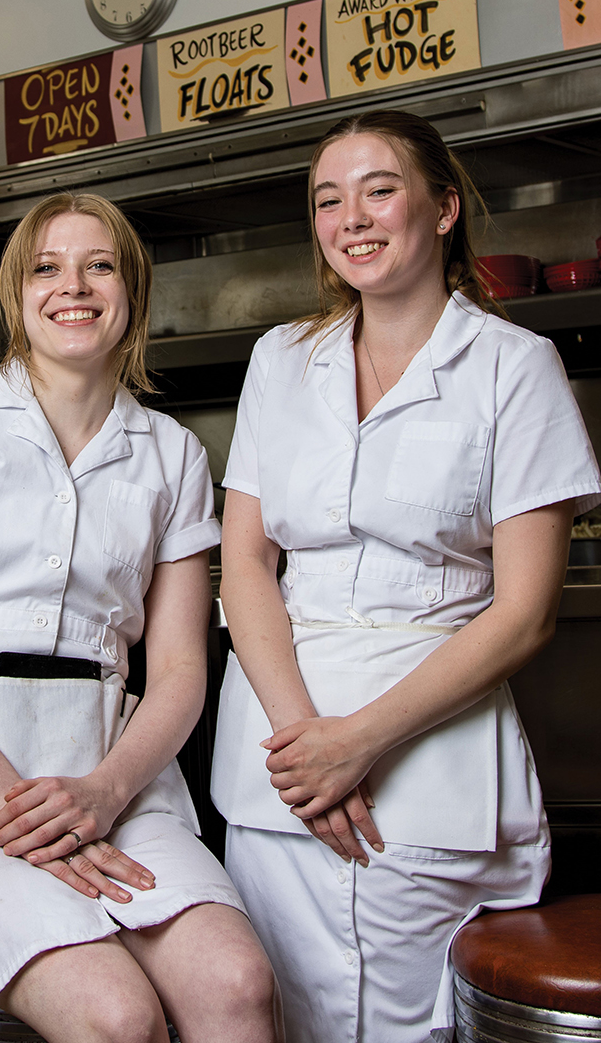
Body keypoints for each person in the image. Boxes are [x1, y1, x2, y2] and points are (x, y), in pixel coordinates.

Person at [212, 109, 601, 1043]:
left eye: (380, 189)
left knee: (412, 1024)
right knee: (281, 1015)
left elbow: (525, 612)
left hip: (433, 772)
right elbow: (246, 566)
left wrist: (361, 743)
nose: (353, 216)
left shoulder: (515, 367)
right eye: (328, 199)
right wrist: (311, 741)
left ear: (443, 209)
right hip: (279, 767)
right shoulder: (281, 360)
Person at [0, 192, 281, 1043]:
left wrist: (102, 792)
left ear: (133, 291)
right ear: (17, 294)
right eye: (47, 267)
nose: (73, 286)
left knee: (237, 984)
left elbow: (182, 672)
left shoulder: (174, 453)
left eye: (99, 265)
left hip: (113, 781)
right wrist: (15, 806)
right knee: (115, 1013)